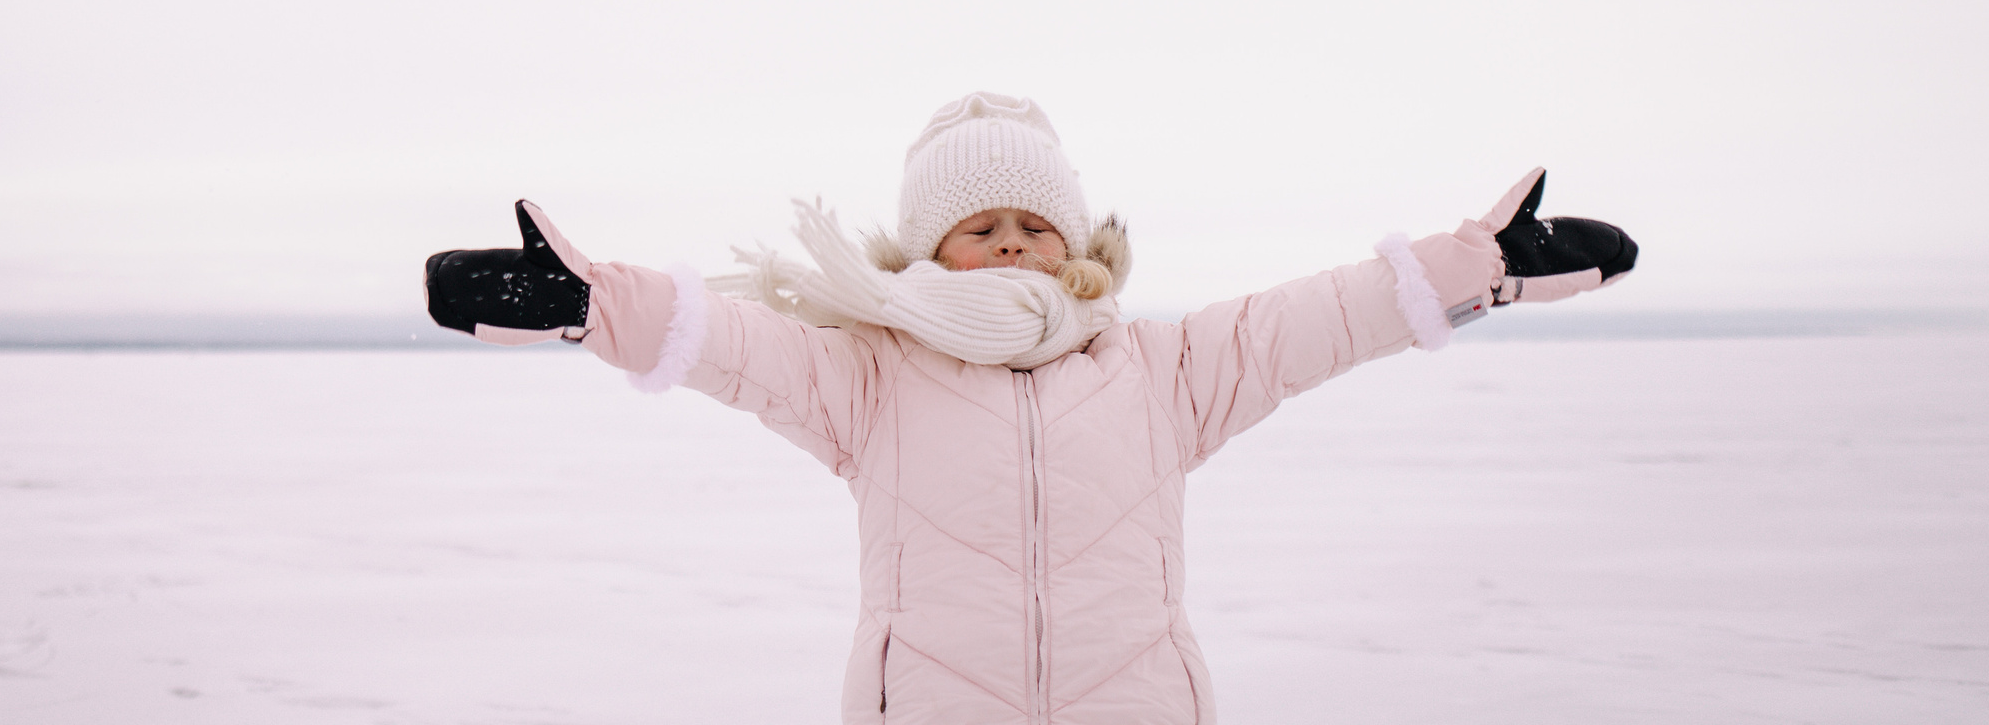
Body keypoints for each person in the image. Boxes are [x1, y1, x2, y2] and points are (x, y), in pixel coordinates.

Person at [425, 90, 1637, 724]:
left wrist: (1476, 266)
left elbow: (1317, 318)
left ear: (1074, 242)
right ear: (926, 252)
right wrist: (593, 302)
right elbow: (733, 343)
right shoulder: (869, 376)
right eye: (978, 226)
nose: (1010, 243)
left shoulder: (1159, 370)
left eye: (1032, 223)